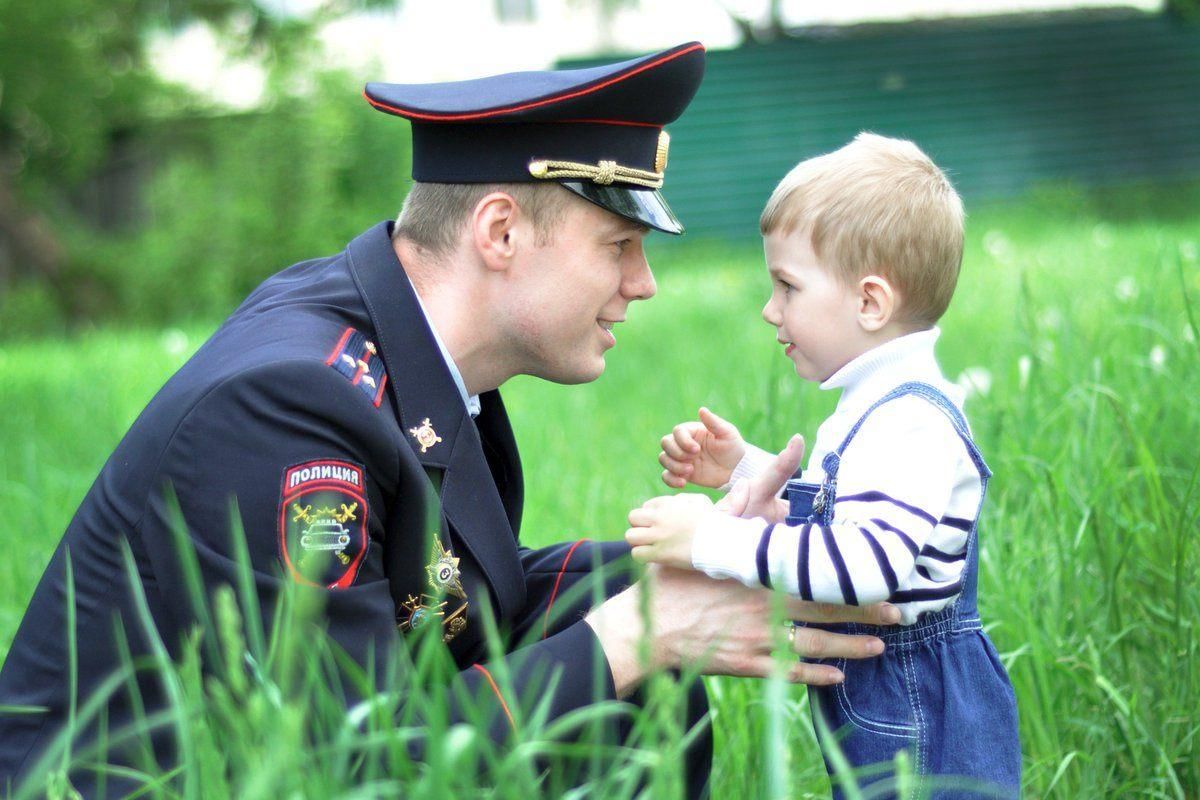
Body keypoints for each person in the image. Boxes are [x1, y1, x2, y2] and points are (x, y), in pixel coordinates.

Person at [0, 46, 900, 797]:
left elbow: (451, 609)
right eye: (618, 245)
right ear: (500, 232)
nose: (643, 282)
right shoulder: (285, 411)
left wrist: (707, 559)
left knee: (623, 641)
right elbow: (344, 767)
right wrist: (652, 626)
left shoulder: (400, 340)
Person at [626, 133, 1022, 797]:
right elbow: (855, 510)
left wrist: (710, 541)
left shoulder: (909, 422)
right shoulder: (881, 404)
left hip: (922, 706)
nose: (769, 309)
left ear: (870, 303)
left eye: (787, 286)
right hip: (900, 695)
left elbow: (866, 566)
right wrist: (743, 469)